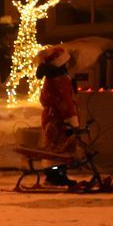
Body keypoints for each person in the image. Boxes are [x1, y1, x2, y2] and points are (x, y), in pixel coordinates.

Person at [33, 46, 80, 187]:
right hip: (59, 120)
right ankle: (56, 177)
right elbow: (65, 102)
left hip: (51, 118)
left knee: (54, 147)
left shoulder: (53, 79)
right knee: (59, 149)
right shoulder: (60, 80)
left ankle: (56, 175)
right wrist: (72, 121)